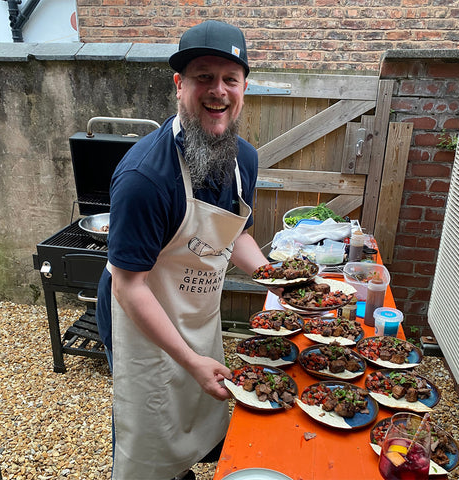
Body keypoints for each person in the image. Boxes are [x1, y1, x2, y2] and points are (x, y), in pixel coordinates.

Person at [96, 19, 274, 480]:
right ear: (180, 85)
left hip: (195, 306)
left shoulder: (244, 159)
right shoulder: (145, 178)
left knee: (198, 403)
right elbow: (128, 284)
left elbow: (237, 235)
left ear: (243, 88)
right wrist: (191, 360)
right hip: (137, 304)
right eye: (204, 77)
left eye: (230, 79)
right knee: (150, 411)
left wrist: (277, 279)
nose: (218, 91)